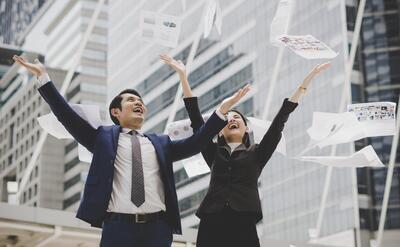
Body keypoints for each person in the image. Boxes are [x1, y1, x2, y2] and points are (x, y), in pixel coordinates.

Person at [13, 55, 250, 247]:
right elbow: (67, 116)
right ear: (116, 112)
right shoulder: (102, 139)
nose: (138, 102)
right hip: (118, 229)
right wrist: (43, 78)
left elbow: (197, 143)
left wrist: (221, 111)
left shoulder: (161, 143)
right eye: (130, 100)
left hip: (158, 229)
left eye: (141, 101)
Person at [161, 53, 330, 247]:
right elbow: (195, 118)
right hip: (211, 219)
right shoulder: (212, 151)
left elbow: (279, 121)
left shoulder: (258, 152)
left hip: (244, 218)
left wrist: (304, 84)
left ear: (246, 128)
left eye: (237, 118)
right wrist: (183, 76)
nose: (231, 119)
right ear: (219, 131)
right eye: (227, 118)